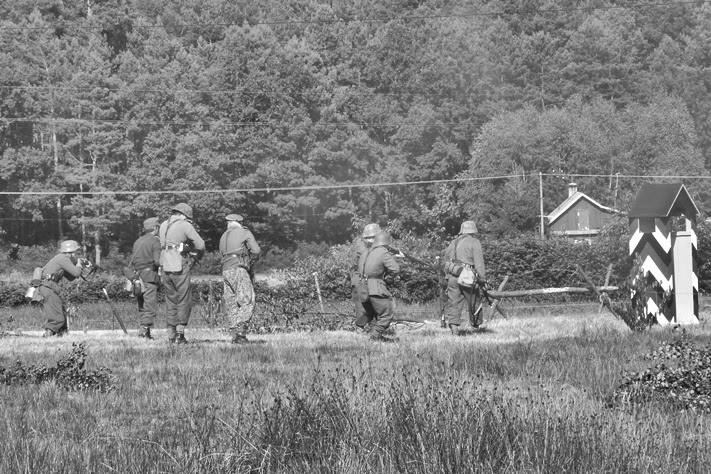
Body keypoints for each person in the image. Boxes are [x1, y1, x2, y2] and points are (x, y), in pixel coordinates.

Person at [159, 203, 205, 344]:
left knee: (170, 300)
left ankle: (171, 334)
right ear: (183, 215)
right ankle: (180, 334)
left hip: (165, 265)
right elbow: (201, 245)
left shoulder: (163, 225)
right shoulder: (185, 225)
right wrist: (195, 255)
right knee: (184, 299)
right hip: (179, 265)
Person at [219, 213, 261, 344]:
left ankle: (234, 334)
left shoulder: (223, 235)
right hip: (239, 268)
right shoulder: (244, 232)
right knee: (247, 300)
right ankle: (241, 333)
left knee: (231, 302)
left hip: (225, 270)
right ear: (239, 222)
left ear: (229, 223)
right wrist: (251, 262)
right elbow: (256, 251)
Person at [37, 240, 91, 337]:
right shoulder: (63, 258)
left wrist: (80, 266)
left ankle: (62, 333)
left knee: (60, 311)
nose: (76, 255)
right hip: (48, 287)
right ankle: (48, 334)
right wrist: (79, 264)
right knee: (57, 317)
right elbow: (76, 273)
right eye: (76, 252)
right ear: (71, 252)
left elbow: (71, 277)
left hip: (50, 287)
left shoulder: (62, 259)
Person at [443, 220, 486, 335]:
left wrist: (447, 277)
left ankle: (454, 329)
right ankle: (476, 327)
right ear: (473, 231)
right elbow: (479, 263)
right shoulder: (474, 242)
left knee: (454, 302)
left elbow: (446, 261)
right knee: (475, 300)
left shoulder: (453, 242)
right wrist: (482, 279)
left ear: (462, 231)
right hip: (468, 277)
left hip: (453, 275)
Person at [356, 230, 400, 342]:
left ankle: (359, 329)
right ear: (386, 243)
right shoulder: (383, 252)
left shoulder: (366, 252)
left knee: (370, 313)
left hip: (362, 287)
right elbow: (395, 269)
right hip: (376, 287)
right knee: (386, 313)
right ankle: (374, 337)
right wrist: (389, 278)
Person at [130, 217, 162, 339]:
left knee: (142, 305)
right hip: (149, 277)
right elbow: (158, 261)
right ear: (156, 228)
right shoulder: (155, 241)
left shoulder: (138, 241)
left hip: (138, 278)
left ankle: (144, 332)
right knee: (149, 305)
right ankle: (144, 331)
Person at [352, 223, 380, 330]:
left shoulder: (374, 247)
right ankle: (362, 329)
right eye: (368, 237)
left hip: (368, 280)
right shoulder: (362, 248)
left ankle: (374, 330)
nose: (370, 240)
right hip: (360, 281)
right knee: (363, 308)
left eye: (373, 237)